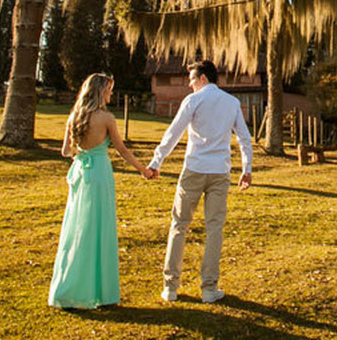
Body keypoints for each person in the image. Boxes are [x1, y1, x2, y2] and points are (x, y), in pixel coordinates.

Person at [147, 60, 253, 304]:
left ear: (203, 78)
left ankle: (170, 286)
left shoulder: (193, 101)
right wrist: (246, 169)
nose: (190, 84)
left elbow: (173, 133)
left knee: (179, 225)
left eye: (192, 79)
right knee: (214, 228)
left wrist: (156, 162)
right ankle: (209, 288)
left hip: (194, 170)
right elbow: (244, 138)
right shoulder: (232, 102)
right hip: (220, 173)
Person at [49, 73, 151, 309]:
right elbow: (122, 150)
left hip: (79, 174)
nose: (111, 93)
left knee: (77, 228)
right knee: (99, 229)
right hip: (99, 174)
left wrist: (82, 152)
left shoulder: (74, 116)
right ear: (100, 91)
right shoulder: (106, 118)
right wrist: (143, 170)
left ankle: (69, 287)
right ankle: (101, 292)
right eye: (109, 89)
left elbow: (66, 151)